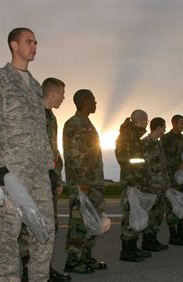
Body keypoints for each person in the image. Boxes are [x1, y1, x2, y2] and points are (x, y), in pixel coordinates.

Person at [0, 27, 55, 281]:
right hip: (12, 173)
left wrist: (50, 166)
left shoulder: (35, 86)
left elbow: (40, 130)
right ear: (14, 44)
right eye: (29, 41)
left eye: (36, 42)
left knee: (45, 232)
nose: (34, 46)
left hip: (38, 173)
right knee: (9, 235)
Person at [18, 77, 70, 281]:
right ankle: (27, 271)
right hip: (33, 180)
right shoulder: (33, 113)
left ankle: (43, 269)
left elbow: (53, 150)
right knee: (30, 226)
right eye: (62, 93)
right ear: (53, 93)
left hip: (49, 180)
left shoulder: (51, 117)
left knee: (49, 226)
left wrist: (57, 178)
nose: (63, 97)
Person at [62, 89, 107, 274]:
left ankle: (86, 257)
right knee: (78, 223)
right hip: (83, 184)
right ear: (84, 101)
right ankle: (73, 261)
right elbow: (73, 155)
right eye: (93, 100)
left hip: (94, 183)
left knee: (91, 221)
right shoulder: (73, 124)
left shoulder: (88, 123)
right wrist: (82, 181)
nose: (96, 103)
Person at [115, 109, 152, 262]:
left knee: (135, 215)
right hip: (131, 183)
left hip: (136, 182)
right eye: (146, 121)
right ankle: (126, 251)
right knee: (129, 216)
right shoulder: (127, 136)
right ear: (140, 120)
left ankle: (133, 247)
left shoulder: (134, 136)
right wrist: (135, 179)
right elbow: (124, 158)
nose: (147, 124)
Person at [160, 115, 183, 244]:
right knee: (172, 205)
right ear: (174, 123)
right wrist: (177, 164)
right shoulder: (165, 139)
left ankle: (182, 233)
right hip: (171, 178)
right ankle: (173, 235)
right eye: (181, 123)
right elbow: (161, 158)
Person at [140, 118, 173, 250]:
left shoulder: (158, 144)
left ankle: (153, 239)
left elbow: (162, 166)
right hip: (151, 186)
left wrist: (167, 183)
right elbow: (144, 165)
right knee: (151, 214)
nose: (165, 130)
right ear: (158, 128)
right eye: (164, 127)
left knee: (159, 214)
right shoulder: (145, 143)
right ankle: (147, 242)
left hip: (160, 186)